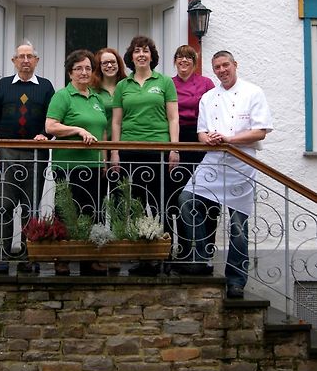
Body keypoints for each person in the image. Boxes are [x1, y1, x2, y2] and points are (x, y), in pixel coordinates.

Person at [177, 50, 273, 299]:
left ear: (235, 65)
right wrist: (208, 138)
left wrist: (229, 139)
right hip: (214, 160)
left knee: (238, 226)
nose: (222, 70)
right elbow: (201, 132)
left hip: (241, 164)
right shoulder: (208, 97)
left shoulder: (253, 92)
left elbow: (260, 131)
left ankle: (236, 280)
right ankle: (200, 258)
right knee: (187, 199)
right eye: (217, 67)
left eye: (225, 65)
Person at [111, 36, 179, 276]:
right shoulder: (123, 85)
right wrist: (115, 152)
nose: (141, 54)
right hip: (131, 151)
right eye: (137, 51)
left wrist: (174, 148)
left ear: (152, 56)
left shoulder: (165, 82)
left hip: (158, 150)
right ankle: (143, 255)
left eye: (146, 51)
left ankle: (167, 254)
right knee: (137, 205)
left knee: (163, 203)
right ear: (131, 56)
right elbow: (116, 122)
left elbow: (173, 117)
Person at [0, 41, 55, 273]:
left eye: (30, 56)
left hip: (35, 155)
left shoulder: (45, 87)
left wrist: (45, 135)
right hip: (5, 153)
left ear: (36, 61)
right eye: (21, 56)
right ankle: (1, 255)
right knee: (2, 205)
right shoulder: (4, 85)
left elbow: (52, 120)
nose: (25, 60)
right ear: (14, 61)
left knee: (31, 207)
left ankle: (29, 255)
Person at [46, 49, 108, 276]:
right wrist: (77, 129)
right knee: (66, 211)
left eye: (88, 68)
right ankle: (61, 258)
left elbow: (102, 131)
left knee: (92, 211)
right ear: (70, 73)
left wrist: (104, 161)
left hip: (94, 166)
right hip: (69, 165)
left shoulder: (97, 98)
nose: (84, 72)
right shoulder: (63, 96)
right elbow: (51, 126)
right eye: (79, 68)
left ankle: (88, 258)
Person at [168, 45, 214, 263]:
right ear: (175, 61)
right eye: (179, 57)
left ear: (194, 62)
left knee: (204, 198)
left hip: (200, 141)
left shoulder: (206, 83)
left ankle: (205, 251)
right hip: (176, 140)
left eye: (188, 57)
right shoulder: (169, 83)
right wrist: (172, 147)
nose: (183, 60)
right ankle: (182, 250)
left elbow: (214, 111)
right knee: (175, 197)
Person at [90, 48, 127, 273]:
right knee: (99, 202)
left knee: (121, 201)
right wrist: (105, 155)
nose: (109, 66)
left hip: (124, 151)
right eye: (104, 63)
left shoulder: (126, 86)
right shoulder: (93, 89)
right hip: (99, 151)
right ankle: (98, 251)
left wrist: (117, 151)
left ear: (119, 64)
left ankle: (118, 250)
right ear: (99, 66)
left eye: (112, 62)